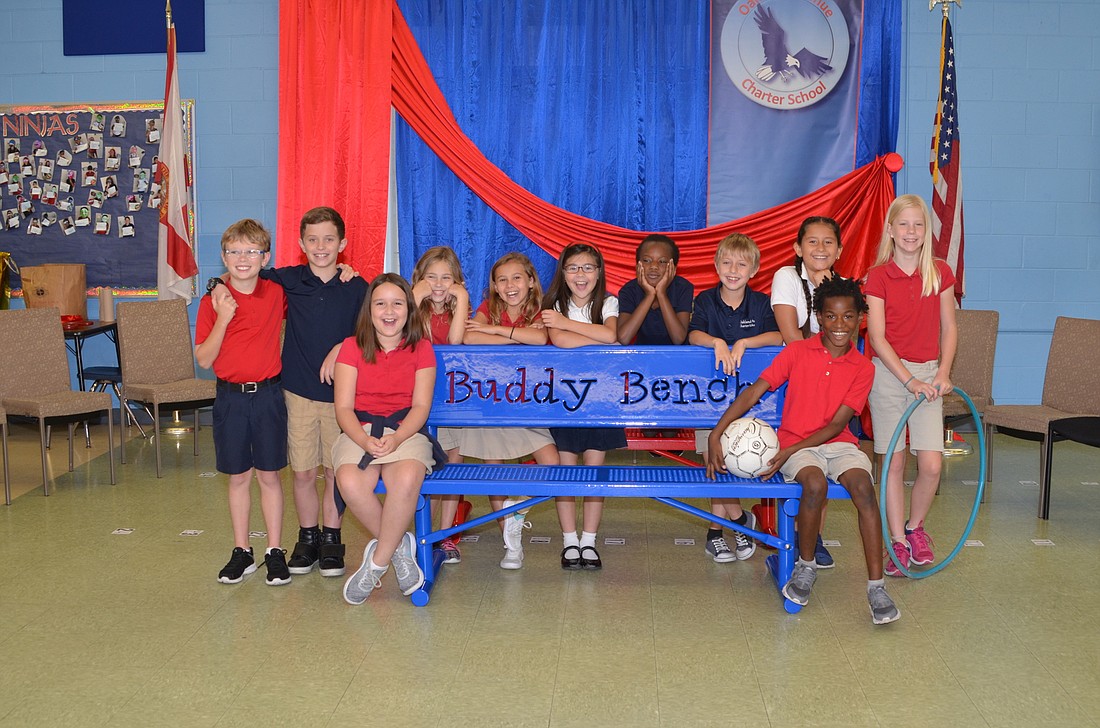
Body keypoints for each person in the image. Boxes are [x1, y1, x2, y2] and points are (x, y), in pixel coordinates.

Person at [706, 276, 900, 625]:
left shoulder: (863, 368)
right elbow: (753, 393)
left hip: (837, 444)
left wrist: (790, 448)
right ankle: (805, 566)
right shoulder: (796, 352)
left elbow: (837, 426)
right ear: (818, 317)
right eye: (830, 316)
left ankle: (876, 587)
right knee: (814, 485)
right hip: (799, 446)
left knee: (863, 489)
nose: (839, 325)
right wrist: (716, 433)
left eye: (848, 317)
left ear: (860, 319)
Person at [235, 207, 368, 579]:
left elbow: (373, 332)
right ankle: (307, 539)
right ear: (300, 244)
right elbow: (244, 273)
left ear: (342, 243)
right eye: (312, 239)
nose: (320, 246)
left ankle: (331, 538)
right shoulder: (286, 280)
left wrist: (343, 345)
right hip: (296, 393)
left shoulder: (357, 286)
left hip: (341, 398)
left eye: (329, 239)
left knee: (335, 472)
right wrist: (217, 286)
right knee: (304, 473)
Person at [864, 194, 957, 577]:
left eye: (919, 224)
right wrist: (909, 379)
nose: (911, 231)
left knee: (931, 464)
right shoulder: (877, 276)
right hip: (889, 375)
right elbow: (877, 336)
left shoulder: (939, 272)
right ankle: (897, 545)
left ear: (927, 231)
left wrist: (942, 372)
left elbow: (949, 328)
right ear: (890, 229)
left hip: (929, 375)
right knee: (894, 462)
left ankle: (914, 529)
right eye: (903, 224)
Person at [195, 219, 290, 587]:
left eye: (252, 251)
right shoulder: (212, 301)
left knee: (269, 476)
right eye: (234, 251)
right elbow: (204, 359)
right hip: (230, 399)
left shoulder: (277, 292)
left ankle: (275, 551)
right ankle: (242, 551)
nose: (243, 258)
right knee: (238, 477)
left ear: (265, 256)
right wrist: (223, 317)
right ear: (223, 256)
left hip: (267, 395)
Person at [336, 274, 437, 605]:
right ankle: (398, 551)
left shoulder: (422, 349)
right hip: (360, 429)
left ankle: (377, 564)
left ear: (409, 310)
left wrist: (397, 439)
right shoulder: (352, 347)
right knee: (350, 481)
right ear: (370, 309)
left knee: (407, 478)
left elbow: (421, 407)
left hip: (405, 429)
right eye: (381, 303)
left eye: (397, 303)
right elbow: (344, 409)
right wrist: (365, 443)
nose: (389, 311)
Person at [688, 233, 782, 563]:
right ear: (716, 266)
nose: (733, 269)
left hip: (749, 403)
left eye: (741, 264)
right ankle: (740, 523)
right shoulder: (704, 300)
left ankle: (718, 531)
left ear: (754, 270)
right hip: (707, 402)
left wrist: (744, 343)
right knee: (715, 462)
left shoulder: (760, 303)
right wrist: (716, 342)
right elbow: (692, 334)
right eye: (726, 262)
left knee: (739, 461)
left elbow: (778, 335)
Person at [463, 252, 560, 569]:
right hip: (490, 406)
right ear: (493, 285)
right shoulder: (487, 309)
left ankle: (517, 508)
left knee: (552, 465)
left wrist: (496, 332)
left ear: (531, 281)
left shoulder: (541, 310)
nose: (509, 285)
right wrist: (506, 336)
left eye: (517, 277)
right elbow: (467, 337)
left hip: (529, 409)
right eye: (502, 280)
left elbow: (540, 337)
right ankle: (511, 543)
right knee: (496, 471)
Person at [541, 243, 624, 570]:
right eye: (573, 268)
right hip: (563, 398)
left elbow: (612, 333)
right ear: (563, 272)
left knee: (594, 472)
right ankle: (569, 540)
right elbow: (560, 341)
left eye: (588, 267)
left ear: (599, 272)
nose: (580, 274)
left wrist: (569, 325)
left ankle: (589, 541)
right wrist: (601, 338)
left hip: (602, 398)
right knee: (566, 470)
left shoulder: (608, 302)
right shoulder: (554, 303)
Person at [771, 215, 844, 568]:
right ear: (798, 248)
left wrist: (830, 291)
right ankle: (794, 534)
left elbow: (847, 343)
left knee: (825, 460)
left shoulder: (843, 286)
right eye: (811, 242)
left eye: (828, 242)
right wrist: (820, 299)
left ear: (839, 249)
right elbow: (792, 339)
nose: (820, 248)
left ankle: (811, 537)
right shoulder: (786, 277)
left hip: (832, 388)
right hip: (796, 386)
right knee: (801, 462)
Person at [410, 246, 470, 564]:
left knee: (451, 466)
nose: (438, 284)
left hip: (450, 401)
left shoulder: (455, 310)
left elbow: (457, 341)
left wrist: (461, 300)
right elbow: (403, 335)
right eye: (431, 277)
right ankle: (425, 533)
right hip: (417, 401)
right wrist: (414, 296)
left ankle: (445, 536)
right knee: (424, 470)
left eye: (446, 278)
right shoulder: (413, 310)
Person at [616, 233, 693, 346]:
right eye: (647, 260)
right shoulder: (629, 290)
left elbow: (678, 338)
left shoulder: (683, 288)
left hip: (677, 357)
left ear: (674, 269)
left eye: (662, 261)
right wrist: (649, 295)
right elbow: (624, 337)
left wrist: (661, 293)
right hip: (643, 358)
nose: (654, 266)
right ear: (638, 266)